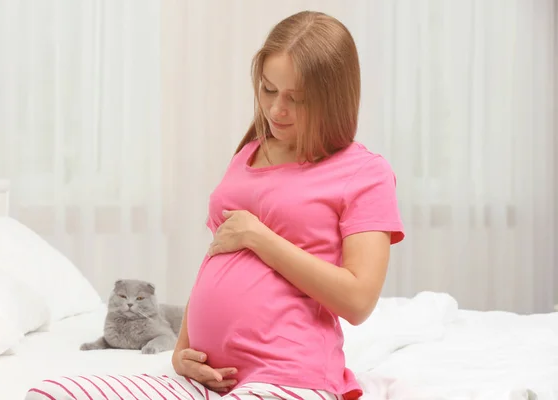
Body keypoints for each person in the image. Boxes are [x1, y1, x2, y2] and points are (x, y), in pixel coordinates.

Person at [25, 10, 404, 400]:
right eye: (269, 90)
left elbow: (358, 301)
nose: (276, 110)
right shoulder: (252, 151)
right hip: (203, 376)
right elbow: (219, 257)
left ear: (333, 98)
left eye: (297, 98)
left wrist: (261, 238)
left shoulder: (364, 173)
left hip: (288, 375)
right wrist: (180, 349)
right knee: (48, 393)